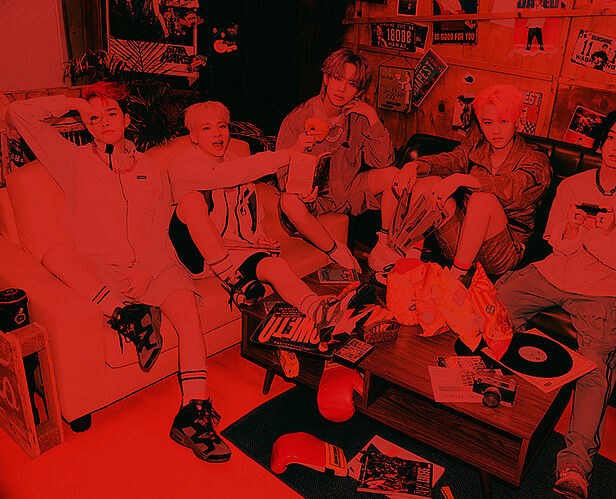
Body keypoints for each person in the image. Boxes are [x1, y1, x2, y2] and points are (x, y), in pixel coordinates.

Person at [4, 82, 231, 463]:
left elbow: (160, 226)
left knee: (188, 315)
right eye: (94, 118)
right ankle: (127, 314)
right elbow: (18, 114)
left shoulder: (150, 168)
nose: (103, 122)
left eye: (111, 114)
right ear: (86, 125)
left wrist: (146, 269)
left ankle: (193, 411)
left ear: (126, 120)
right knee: (55, 254)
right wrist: (74, 104)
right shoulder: (72, 160)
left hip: (154, 266)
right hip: (102, 269)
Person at [494, 108, 616, 498]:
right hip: (559, 271)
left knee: (595, 366)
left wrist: (607, 233)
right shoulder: (573, 185)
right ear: (600, 142)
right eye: (611, 137)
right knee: (497, 301)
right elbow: (559, 245)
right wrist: (572, 229)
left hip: (610, 287)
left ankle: (574, 465)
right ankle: (513, 390)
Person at [167, 100, 366, 332]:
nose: (217, 134)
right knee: (191, 202)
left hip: (229, 250)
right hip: (192, 254)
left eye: (222, 126)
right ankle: (232, 281)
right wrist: (289, 153)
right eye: (206, 128)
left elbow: (251, 208)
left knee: (276, 266)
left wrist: (257, 239)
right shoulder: (182, 166)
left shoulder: (235, 160)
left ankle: (320, 311)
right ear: (193, 136)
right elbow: (225, 175)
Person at [384, 84, 551, 281]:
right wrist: (415, 166)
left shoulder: (535, 159)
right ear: (480, 124)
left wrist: (463, 179)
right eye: (488, 123)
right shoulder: (477, 145)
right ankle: (410, 264)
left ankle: (454, 281)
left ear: (517, 122)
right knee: (428, 184)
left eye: (503, 121)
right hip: (462, 240)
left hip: (502, 252)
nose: (496, 130)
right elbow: (451, 160)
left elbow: (511, 186)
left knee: (482, 200)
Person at [276, 48, 398, 273]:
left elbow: (384, 162)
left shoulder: (360, 117)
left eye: (351, 84)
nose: (342, 89)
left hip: (347, 192)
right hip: (314, 200)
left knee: (394, 175)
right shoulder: (298, 119)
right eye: (337, 78)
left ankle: (383, 245)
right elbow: (282, 171)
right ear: (326, 78)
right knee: (288, 201)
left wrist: (372, 116)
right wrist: (300, 190)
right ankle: (336, 251)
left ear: (359, 90)